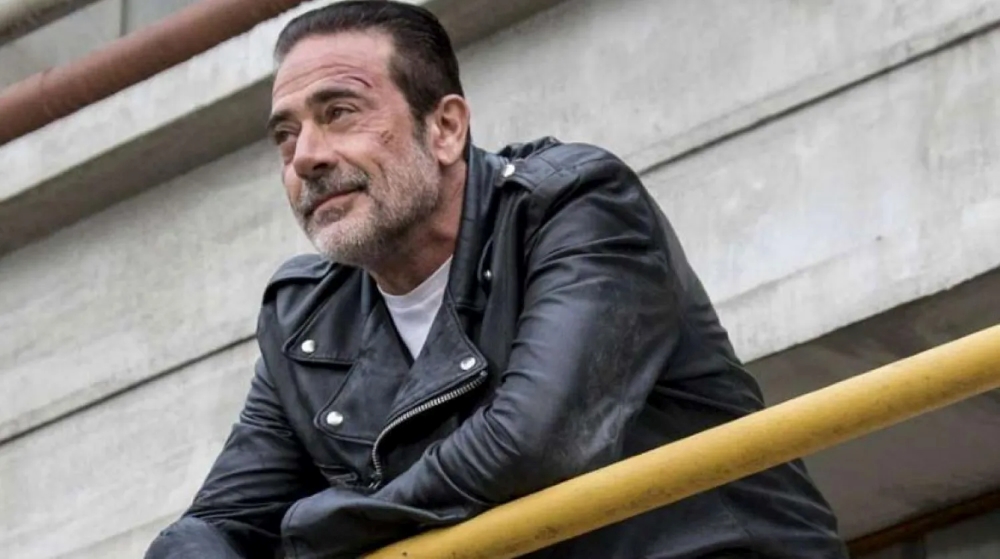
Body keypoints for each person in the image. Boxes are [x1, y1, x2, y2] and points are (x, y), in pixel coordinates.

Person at [145, 2, 848, 558]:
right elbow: (218, 526)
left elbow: (533, 445)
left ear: (446, 128)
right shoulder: (304, 321)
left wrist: (313, 531)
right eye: (286, 136)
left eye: (340, 113)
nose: (306, 157)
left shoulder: (574, 205)